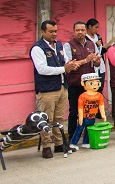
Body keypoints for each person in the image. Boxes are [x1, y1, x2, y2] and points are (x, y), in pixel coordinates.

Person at [30, 20, 79, 158]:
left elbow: (65, 60)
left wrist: (71, 64)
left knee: (58, 118)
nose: (54, 34)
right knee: (46, 119)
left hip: (62, 87)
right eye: (51, 31)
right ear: (42, 32)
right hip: (47, 90)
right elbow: (42, 69)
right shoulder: (37, 48)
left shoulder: (58, 45)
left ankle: (59, 144)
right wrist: (63, 69)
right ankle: (46, 146)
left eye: (55, 31)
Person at [63, 21, 100, 141]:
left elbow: (97, 63)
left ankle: (87, 137)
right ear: (73, 32)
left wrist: (95, 61)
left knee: (89, 112)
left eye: (82, 30)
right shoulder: (68, 46)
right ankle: (72, 137)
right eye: (77, 30)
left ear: (86, 31)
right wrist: (85, 60)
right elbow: (68, 64)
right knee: (74, 111)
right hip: (75, 83)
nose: (80, 32)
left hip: (89, 85)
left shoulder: (91, 44)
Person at [69, 73, 107, 150]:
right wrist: (80, 117)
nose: (95, 85)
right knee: (79, 130)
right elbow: (80, 107)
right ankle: (73, 143)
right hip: (84, 117)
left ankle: (85, 142)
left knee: (88, 131)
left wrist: (103, 115)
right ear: (83, 84)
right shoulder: (83, 96)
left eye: (97, 83)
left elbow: (101, 106)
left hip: (92, 117)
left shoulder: (99, 95)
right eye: (91, 83)